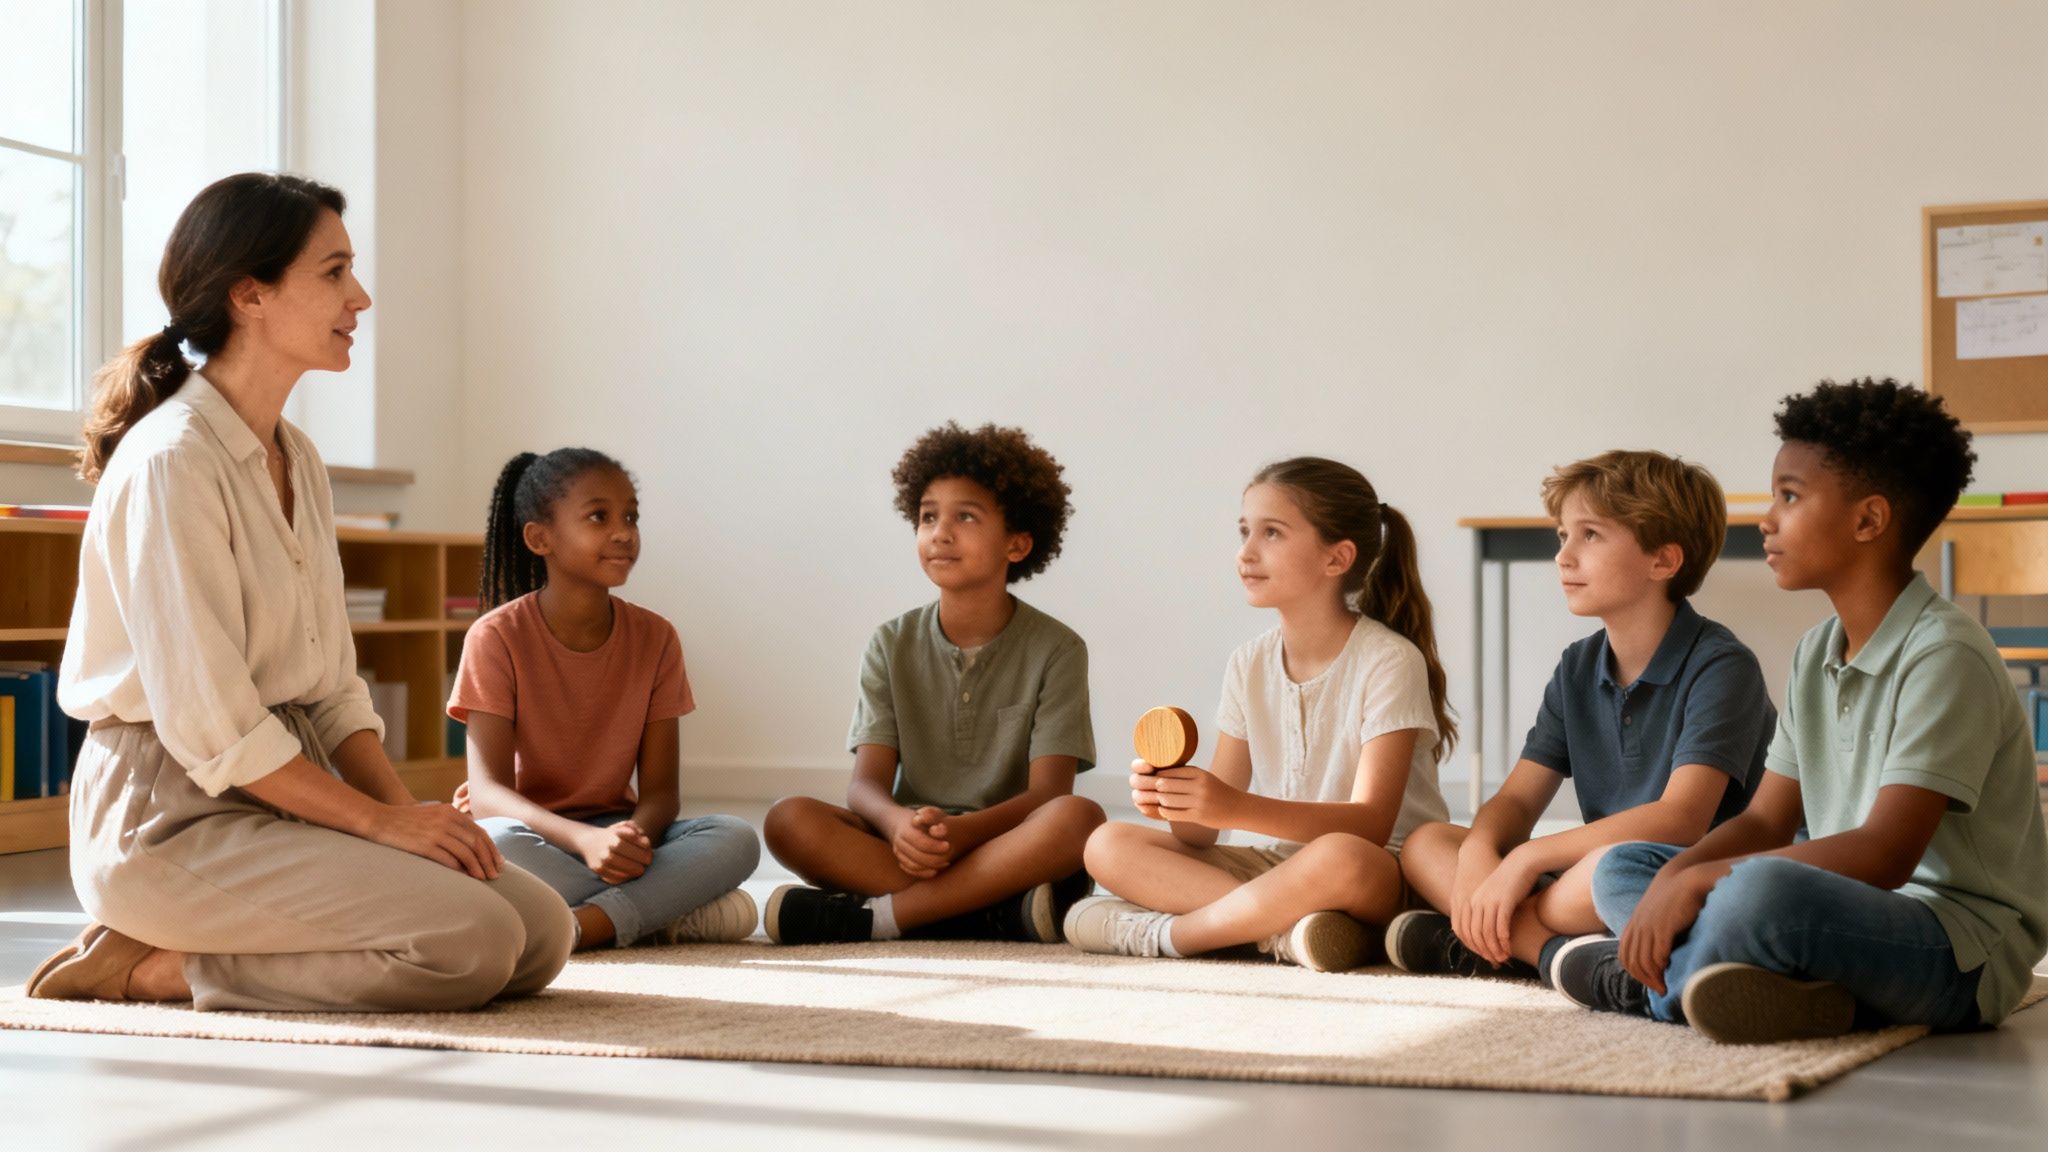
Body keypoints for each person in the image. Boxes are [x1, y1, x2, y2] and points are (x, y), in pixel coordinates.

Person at [28, 173, 571, 1011]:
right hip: (168, 818)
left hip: (289, 785)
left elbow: (329, 689)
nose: (360, 296)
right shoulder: (173, 460)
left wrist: (413, 818)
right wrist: (381, 827)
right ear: (251, 293)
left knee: (538, 931)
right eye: (333, 272)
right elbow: (215, 731)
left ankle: (200, 943)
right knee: (472, 944)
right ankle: (146, 968)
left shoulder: (298, 457)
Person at [1563, 378, 2048, 1044]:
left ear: (1868, 520)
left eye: (1789, 496)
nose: (1766, 519)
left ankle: (1628, 985)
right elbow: (1767, 818)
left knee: (1758, 894)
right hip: (1842, 913)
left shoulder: (1946, 654)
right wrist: (1676, 876)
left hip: (1956, 947)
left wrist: (1701, 883)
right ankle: (1789, 992)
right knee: (1628, 866)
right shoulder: (1815, 649)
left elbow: (1885, 856)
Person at [1389, 450, 1772, 986]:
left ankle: (1492, 942)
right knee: (1428, 844)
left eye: (1589, 535)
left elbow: (1681, 819)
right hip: (1579, 880)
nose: (1564, 556)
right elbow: (1519, 799)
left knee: (1603, 871)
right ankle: (1545, 948)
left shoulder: (1722, 666)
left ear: (1663, 561)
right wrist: (1481, 852)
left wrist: (1521, 865)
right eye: (1561, 536)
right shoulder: (1577, 666)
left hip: (1666, 873)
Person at [1067, 457, 1454, 972]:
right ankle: (1286, 933)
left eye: (1272, 533)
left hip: (1377, 869)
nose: (1245, 552)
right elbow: (1201, 835)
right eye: (1245, 530)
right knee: (1107, 843)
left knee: (1339, 856)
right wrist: (1175, 799)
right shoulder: (1248, 663)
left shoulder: (1388, 660)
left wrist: (1231, 807)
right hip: (1279, 869)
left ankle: (1177, 934)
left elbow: (1370, 825)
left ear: (1336, 558)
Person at [762, 422, 1103, 944]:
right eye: (927, 517)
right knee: (788, 820)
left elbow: (1048, 794)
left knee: (1080, 818)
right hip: (910, 844)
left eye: (964, 516)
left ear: (1017, 543)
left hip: (1005, 840)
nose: (939, 532)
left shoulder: (1058, 649)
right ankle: (993, 912)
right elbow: (865, 785)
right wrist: (897, 824)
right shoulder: (890, 643)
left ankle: (881, 917)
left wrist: (964, 831)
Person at [448, 448, 761, 951]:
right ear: (539, 537)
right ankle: (667, 913)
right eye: (599, 517)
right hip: (535, 837)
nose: (623, 532)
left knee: (737, 837)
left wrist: (630, 840)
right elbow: (488, 797)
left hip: (619, 833)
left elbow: (661, 794)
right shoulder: (496, 638)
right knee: (496, 846)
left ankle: (583, 925)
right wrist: (584, 842)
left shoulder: (657, 638)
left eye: (631, 517)